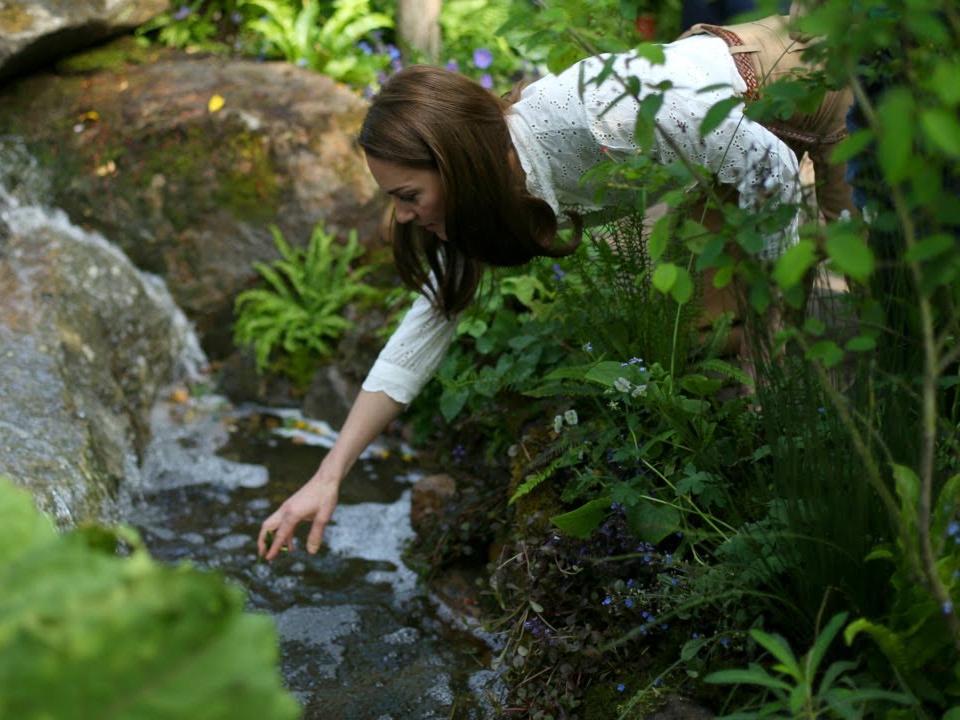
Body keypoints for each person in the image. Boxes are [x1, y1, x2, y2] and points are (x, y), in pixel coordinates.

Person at [257, 15, 852, 560]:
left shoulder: (595, 119)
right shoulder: (494, 183)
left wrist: (771, 314)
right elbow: (423, 327)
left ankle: (818, 491)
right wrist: (329, 473)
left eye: (408, 197)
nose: (405, 217)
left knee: (820, 306)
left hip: (789, 83)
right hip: (711, 153)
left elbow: (769, 167)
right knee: (703, 333)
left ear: (455, 163)